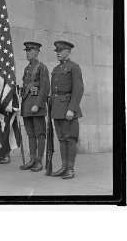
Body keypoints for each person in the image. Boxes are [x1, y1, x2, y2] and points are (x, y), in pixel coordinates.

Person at [50, 41, 84, 179]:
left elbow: (79, 89)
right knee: (62, 139)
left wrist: (72, 109)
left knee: (70, 139)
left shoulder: (74, 67)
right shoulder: (56, 69)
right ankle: (64, 167)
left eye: (61, 50)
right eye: (57, 51)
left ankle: (70, 169)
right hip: (57, 109)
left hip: (68, 108)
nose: (58, 53)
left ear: (68, 52)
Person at [20, 42, 50, 172]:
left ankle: (39, 161)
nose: (27, 53)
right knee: (30, 134)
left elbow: (45, 88)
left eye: (30, 51)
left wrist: (37, 105)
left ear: (37, 52)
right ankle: (32, 160)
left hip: (36, 107)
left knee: (40, 134)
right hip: (27, 105)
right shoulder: (27, 68)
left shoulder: (41, 67)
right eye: (26, 51)